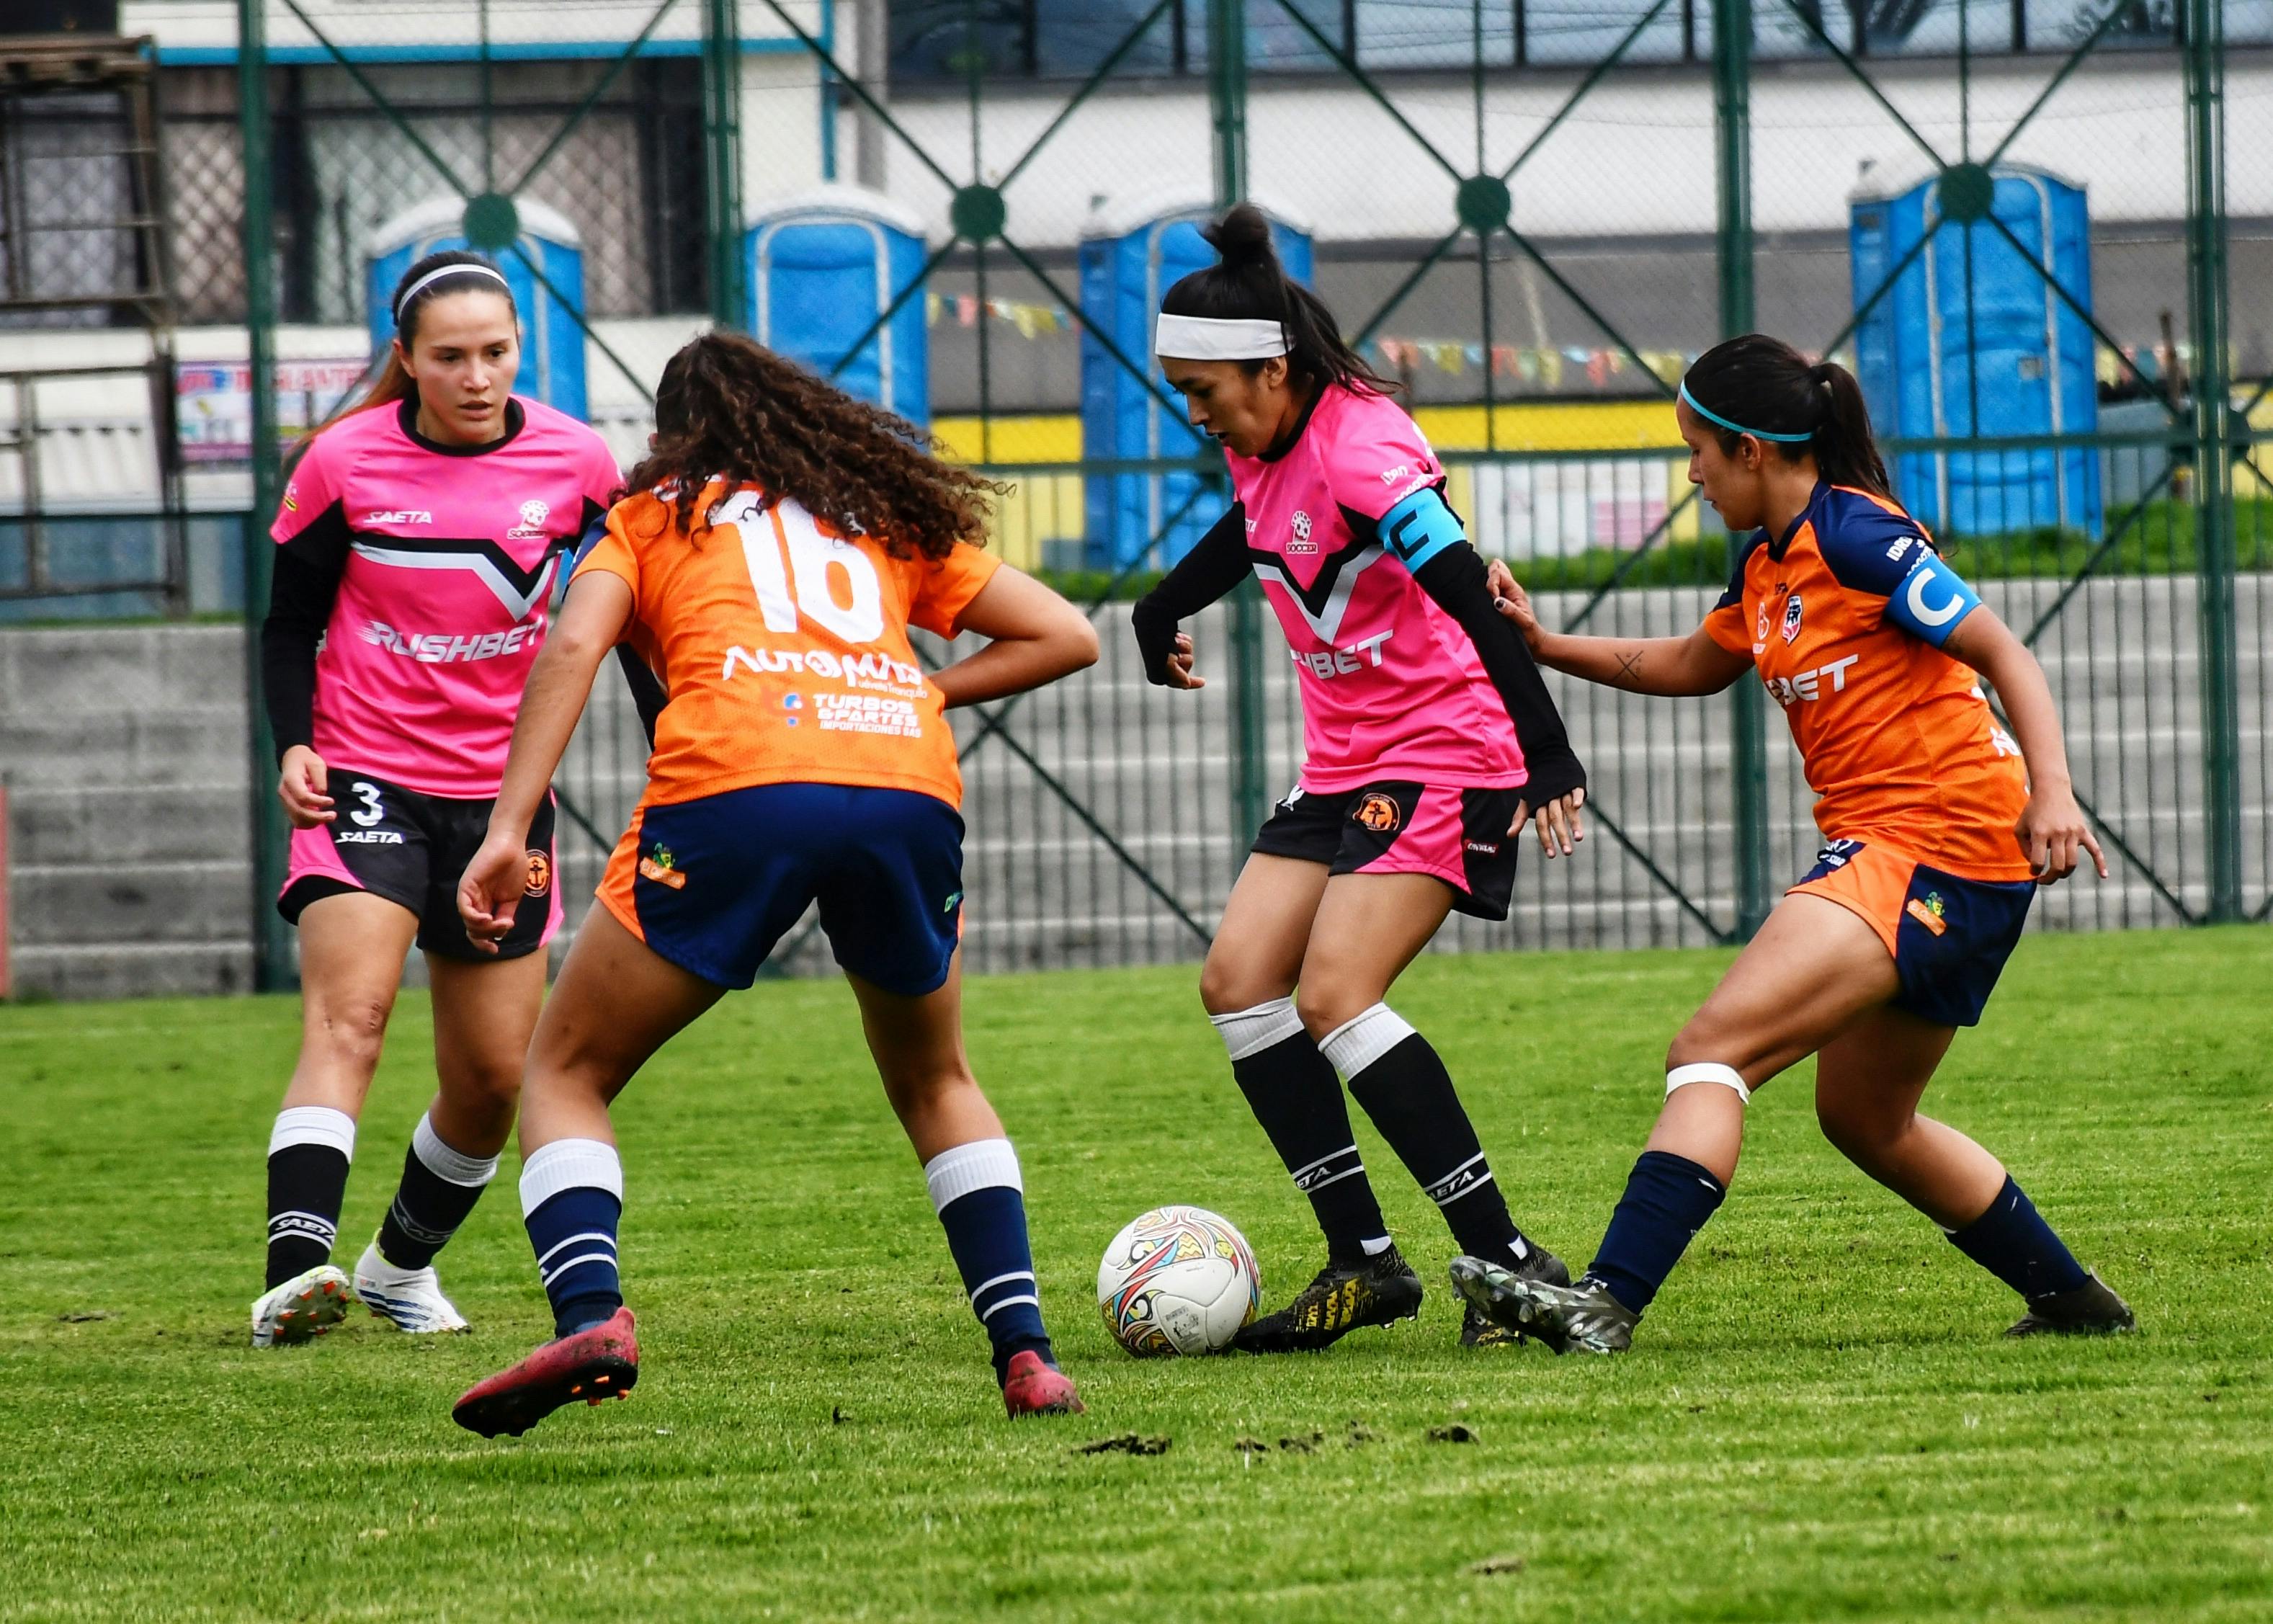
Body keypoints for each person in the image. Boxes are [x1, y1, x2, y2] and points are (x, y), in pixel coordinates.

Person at [447, 332, 1102, 1437]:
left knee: (566, 1067)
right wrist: (925, 698)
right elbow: (1068, 633)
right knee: (938, 1078)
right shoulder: (874, 513)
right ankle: (1027, 1353)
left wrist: (510, 827)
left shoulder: (656, 515)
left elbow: (572, 648)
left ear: (669, 442)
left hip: (737, 785)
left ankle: (594, 1314)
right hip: (903, 784)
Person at [1453, 333, 2134, 1353]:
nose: (1691, 472)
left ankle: (1605, 1298)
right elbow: (1692, 659)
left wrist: (2055, 792)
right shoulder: (1768, 565)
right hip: (1926, 854)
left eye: (1697, 450)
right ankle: (2075, 1299)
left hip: (1936, 843)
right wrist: (1548, 647)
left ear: (1753, 449)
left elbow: (2002, 651)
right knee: (1866, 1120)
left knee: (1711, 1049)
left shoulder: (1857, 536)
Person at [1128, 206, 1590, 1353]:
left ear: (1271, 371)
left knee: (1334, 992)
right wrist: (1160, 605)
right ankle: (1365, 1261)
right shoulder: (1263, 439)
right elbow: (1258, 527)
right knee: (1239, 981)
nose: (1196, 415)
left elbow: (1472, 597)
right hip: (1341, 763)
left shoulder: (1366, 449)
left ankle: (1507, 1257)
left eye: (1203, 391)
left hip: (1448, 749)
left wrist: (1547, 753)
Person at [252, 251, 620, 1348]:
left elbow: (624, 619)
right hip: (365, 778)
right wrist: (296, 743)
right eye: (449, 357)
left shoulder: (581, 462)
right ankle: (293, 1271)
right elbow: (287, 625)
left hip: (506, 804)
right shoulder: (343, 460)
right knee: (351, 1017)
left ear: (522, 351)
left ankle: (397, 1269)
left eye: (495, 353)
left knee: (495, 1079)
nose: (475, 376)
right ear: (406, 360)